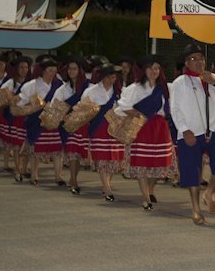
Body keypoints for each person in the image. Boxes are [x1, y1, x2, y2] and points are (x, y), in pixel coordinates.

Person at [169, 44, 215, 224]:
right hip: (190, 132)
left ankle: (209, 192)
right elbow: (175, 109)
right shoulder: (180, 82)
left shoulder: (212, 77)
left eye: (201, 58)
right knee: (192, 172)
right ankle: (196, 209)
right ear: (186, 63)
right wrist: (184, 129)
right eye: (194, 59)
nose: (198, 62)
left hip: (213, 130)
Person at [115, 54, 175, 210]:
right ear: (144, 70)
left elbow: (172, 106)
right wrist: (138, 115)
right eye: (150, 68)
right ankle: (145, 198)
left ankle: (150, 190)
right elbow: (123, 106)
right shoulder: (135, 88)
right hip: (142, 128)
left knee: (159, 163)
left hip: (160, 127)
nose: (153, 71)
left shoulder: (165, 88)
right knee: (142, 163)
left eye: (156, 68)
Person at [81, 63, 126, 201]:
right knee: (102, 157)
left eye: (113, 77)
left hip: (114, 127)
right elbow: (83, 109)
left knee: (112, 158)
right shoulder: (91, 91)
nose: (111, 80)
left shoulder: (120, 92)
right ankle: (107, 188)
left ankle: (107, 184)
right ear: (102, 77)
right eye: (108, 77)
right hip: (99, 127)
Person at [18, 56, 65, 186]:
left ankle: (58, 176)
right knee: (35, 150)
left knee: (57, 150)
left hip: (53, 122)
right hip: (36, 121)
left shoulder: (59, 85)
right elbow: (21, 102)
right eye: (50, 70)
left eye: (54, 71)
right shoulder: (32, 85)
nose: (52, 73)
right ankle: (34, 175)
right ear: (43, 71)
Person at [57, 56, 91, 194]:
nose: (71, 71)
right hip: (68, 124)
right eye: (69, 69)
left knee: (78, 153)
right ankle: (74, 181)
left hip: (83, 124)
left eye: (74, 68)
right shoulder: (63, 88)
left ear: (80, 70)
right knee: (72, 151)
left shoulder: (88, 87)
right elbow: (56, 104)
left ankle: (73, 178)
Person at [0, 56, 33, 181]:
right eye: (21, 67)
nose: (24, 70)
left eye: (26, 67)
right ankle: (17, 169)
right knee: (17, 144)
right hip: (16, 118)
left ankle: (24, 168)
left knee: (27, 143)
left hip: (28, 116)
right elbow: (2, 96)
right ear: (17, 69)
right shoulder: (10, 83)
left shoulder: (31, 82)